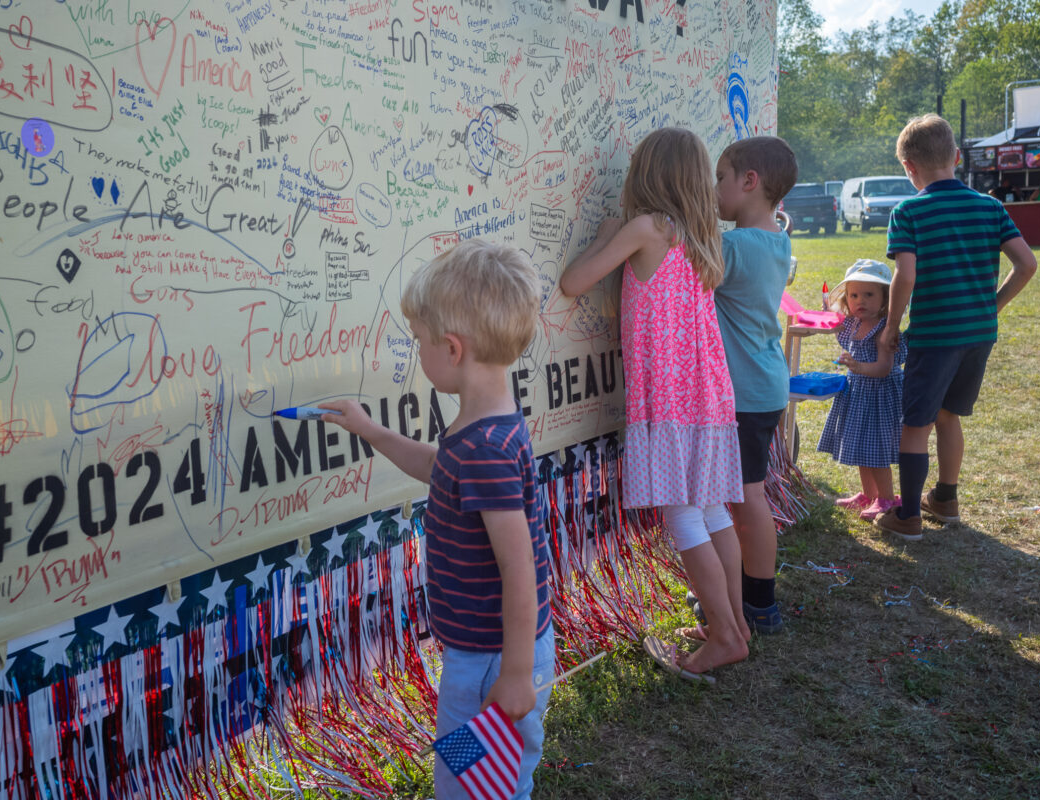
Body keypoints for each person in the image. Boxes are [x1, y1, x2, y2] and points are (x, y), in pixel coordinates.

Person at [320, 239, 555, 799]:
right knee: (483, 781)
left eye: (419, 341)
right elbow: (440, 469)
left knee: (469, 786)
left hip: (492, 665)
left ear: (452, 349)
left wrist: (517, 675)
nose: (417, 351)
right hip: (490, 656)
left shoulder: (485, 449)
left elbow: (519, 569)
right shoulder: (486, 425)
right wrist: (373, 432)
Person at [560, 127, 748, 679]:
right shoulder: (699, 235)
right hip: (707, 396)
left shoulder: (646, 229)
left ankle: (725, 637)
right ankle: (730, 623)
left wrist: (604, 236)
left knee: (684, 515)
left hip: (668, 398)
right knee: (712, 510)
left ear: (647, 175)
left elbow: (574, 281)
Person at [876, 114, 1037, 542]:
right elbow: (1027, 264)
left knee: (917, 424)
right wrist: (993, 306)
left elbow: (905, 276)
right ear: (957, 157)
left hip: (934, 336)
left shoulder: (908, 210)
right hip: (978, 334)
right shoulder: (990, 206)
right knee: (949, 416)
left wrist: (892, 325)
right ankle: (945, 499)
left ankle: (908, 515)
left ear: (909, 167)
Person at [710, 135, 799, 634]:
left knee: (747, 498)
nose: (713, 189)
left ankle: (760, 604)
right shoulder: (775, 239)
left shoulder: (735, 247)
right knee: (746, 495)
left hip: (744, 393)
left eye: (720, 178)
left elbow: (684, 263)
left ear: (749, 182)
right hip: (764, 386)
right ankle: (749, 594)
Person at [816, 259, 907, 521]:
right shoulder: (855, 323)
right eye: (854, 295)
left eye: (869, 294)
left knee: (876, 450)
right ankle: (869, 494)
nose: (860, 301)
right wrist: (827, 312)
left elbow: (883, 369)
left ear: (885, 298)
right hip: (859, 395)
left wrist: (857, 366)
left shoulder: (884, 330)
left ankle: (887, 498)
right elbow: (838, 328)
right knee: (861, 447)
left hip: (879, 396)